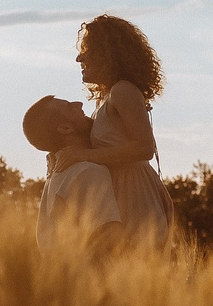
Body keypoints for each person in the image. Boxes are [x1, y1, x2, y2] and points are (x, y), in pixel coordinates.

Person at [68, 14, 171, 247]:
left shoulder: (123, 91)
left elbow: (144, 148)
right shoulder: (106, 98)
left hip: (134, 193)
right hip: (116, 191)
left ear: (107, 54)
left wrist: (85, 155)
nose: (79, 58)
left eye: (86, 51)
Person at [22, 94, 123, 252]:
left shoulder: (55, 178)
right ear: (65, 128)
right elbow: (107, 237)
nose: (79, 103)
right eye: (69, 106)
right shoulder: (89, 171)